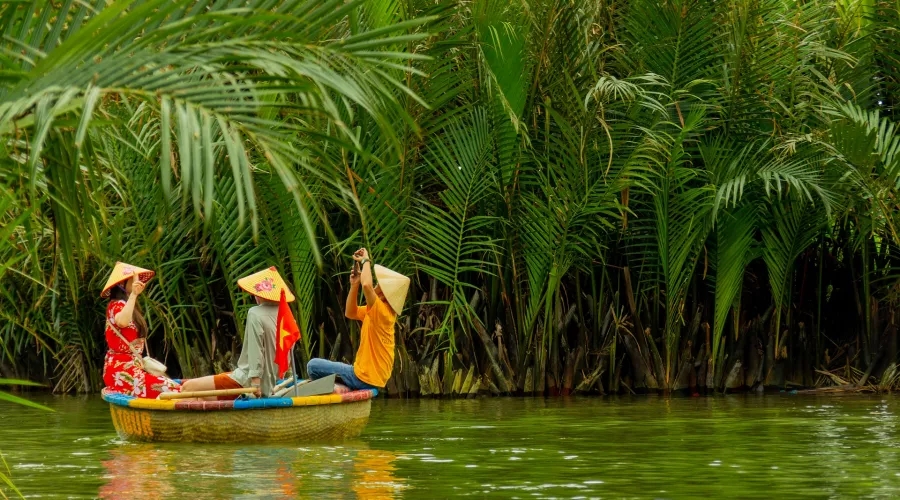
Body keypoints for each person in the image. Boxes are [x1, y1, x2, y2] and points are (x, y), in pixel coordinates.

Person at [181, 266, 294, 400]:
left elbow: (255, 350)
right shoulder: (287, 316)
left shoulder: (255, 313)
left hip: (246, 381)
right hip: (269, 382)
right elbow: (287, 357)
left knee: (187, 387)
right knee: (201, 396)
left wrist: (256, 383)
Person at [307, 248, 410, 391]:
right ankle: (340, 386)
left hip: (364, 378)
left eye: (379, 284)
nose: (376, 285)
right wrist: (355, 285)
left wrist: (365, 260)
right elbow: (351, 312)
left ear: (385, 292)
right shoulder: (377, 311)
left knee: (313, 366)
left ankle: (336, 387)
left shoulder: (381, 311)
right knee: (337, 368)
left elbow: (367, 285)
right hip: (367, 377)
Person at [102, 262, 181, 398]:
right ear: (122, 284)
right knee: (175, 390)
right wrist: (133, 294)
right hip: (120, 371)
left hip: (135, 367)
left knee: (175, 386)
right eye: (133, 280)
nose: (137, 282)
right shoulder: (115, 305)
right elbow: (122, 321)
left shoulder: (129, 305)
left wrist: (133, 297)